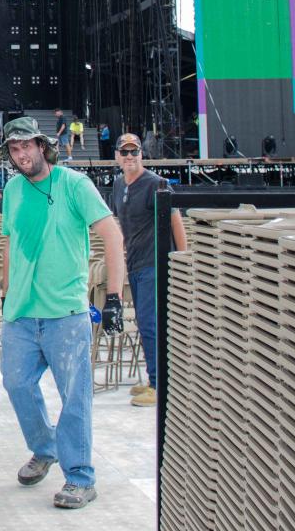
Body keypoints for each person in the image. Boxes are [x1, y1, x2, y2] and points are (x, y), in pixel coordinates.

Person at [0, 116, 126, 511]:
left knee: (74, 397)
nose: (21, 155)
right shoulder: (12, 190)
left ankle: (80, 477)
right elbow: (9, 242)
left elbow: (112, 235)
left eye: (26, 147)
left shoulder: (74, 185)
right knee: (16, 384)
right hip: (20, 313)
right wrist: (7, 292)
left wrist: (114, 296)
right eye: (14, 150)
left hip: (65, 313)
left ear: (41, 146)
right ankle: (45, 447)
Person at [107, 133, 186, 407]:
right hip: (136, 264)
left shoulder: (155, 184)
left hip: (154, 263)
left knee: (151, 325)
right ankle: (154, 379)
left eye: (134, 152)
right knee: (144, 324)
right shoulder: (118, 185)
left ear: (141, 154)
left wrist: (181, 258)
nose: (130, 157)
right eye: (125, 152)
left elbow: (176, 220)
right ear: (117, 156)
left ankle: (159, 385)